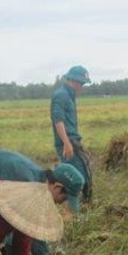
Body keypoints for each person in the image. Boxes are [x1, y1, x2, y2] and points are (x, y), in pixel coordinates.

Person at [51, 65, 93, 202]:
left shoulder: (69, 95)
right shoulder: (61, 95)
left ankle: (84, 203)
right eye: (81, 83)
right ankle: (74, 205)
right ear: (73, 80)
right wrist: (66, 143)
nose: (82, 87)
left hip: (73, 141)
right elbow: (58, 121)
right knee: (77, 176)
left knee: (84, 171)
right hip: (67, 142)